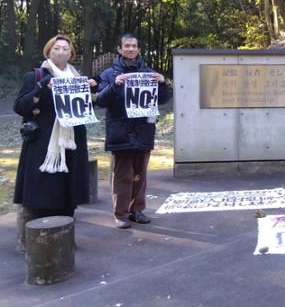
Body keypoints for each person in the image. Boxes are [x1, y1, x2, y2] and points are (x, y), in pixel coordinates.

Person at [96, 33, 172, 229]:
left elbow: (163, 99)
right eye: (126, 46)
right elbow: (100, 100)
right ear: (120, 50)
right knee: (122, 174)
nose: (130, 49)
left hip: (143, 130)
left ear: (138, 49)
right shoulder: (109, 74)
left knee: (140, 173)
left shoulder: (149, 73)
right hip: (120, 130)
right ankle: (120, 213)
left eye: (134, 46)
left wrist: (163, 83)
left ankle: (137, 210)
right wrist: (115, 85)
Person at [13, 35, 90, 220]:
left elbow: (85, 108)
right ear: (48, 51)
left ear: (71, 54)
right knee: (44, 186)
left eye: (65, 48)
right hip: (44, 141)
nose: (61, 51)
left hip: (72, 140)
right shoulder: (36, 76)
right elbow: (20, 106)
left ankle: (66, 225)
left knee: (68, 186)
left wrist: (92, 90)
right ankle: (41, 226)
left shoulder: (77, 78)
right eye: (56, 48)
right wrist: (40, 87)